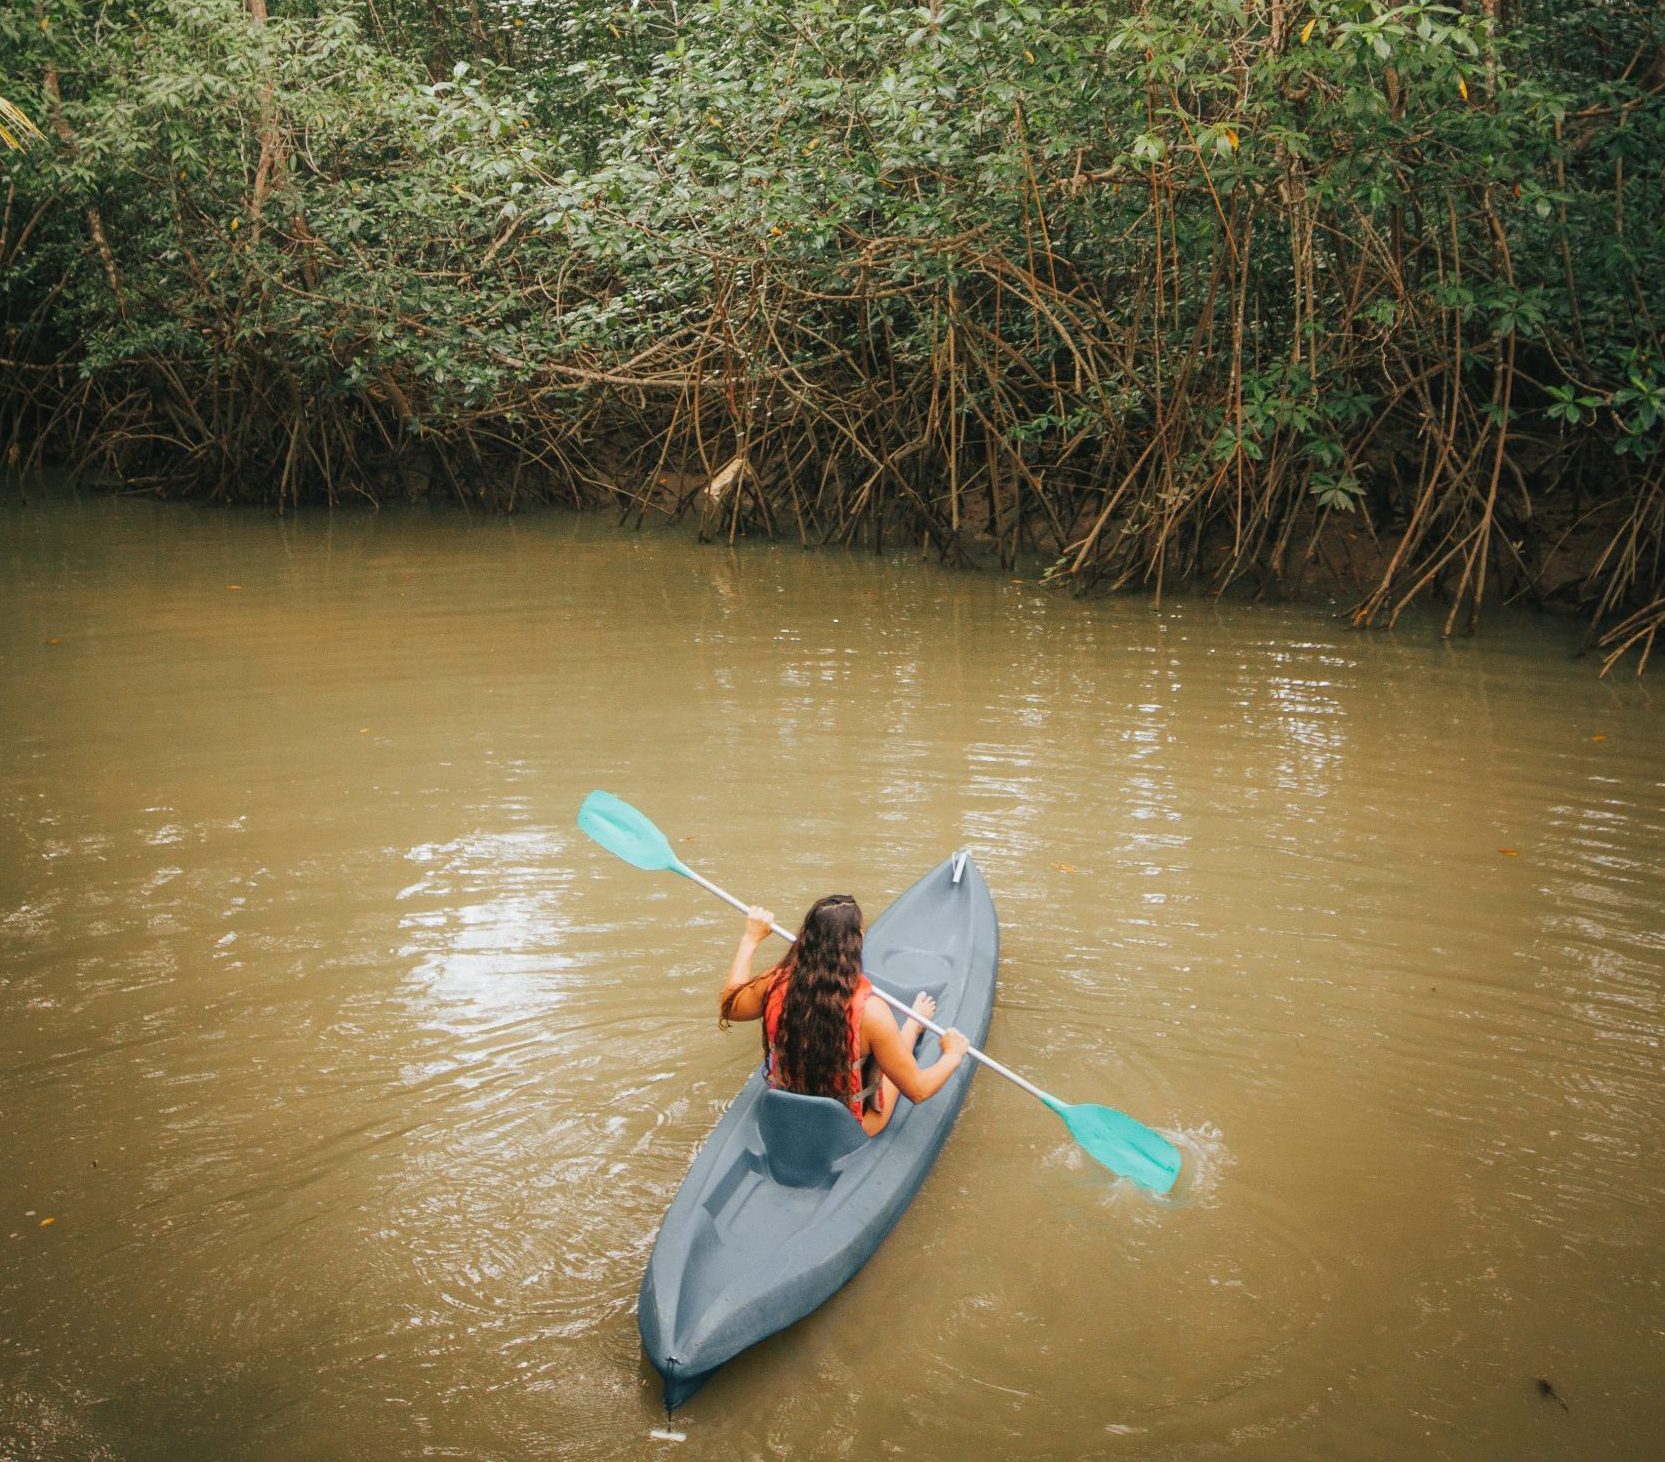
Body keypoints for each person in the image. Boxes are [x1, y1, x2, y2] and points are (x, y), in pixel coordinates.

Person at [717, 894, 970, 1136]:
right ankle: (912, 1026)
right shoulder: (872, 1013)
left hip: (786, 1108)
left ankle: (913, 1024)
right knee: (889, 1069)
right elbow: (918, 1091)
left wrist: (750, 939)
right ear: (857, 940)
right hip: (847, 1129)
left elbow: (730, 1005)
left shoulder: (774, 983)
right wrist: (953, 1054)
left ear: (805, 937)